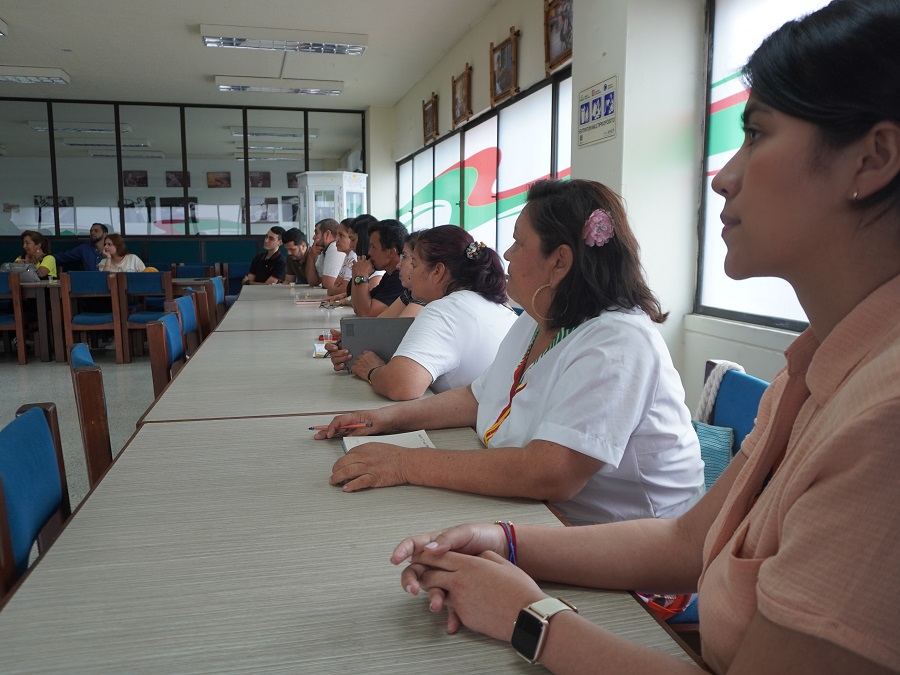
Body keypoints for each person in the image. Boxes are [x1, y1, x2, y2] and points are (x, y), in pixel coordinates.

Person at [388, 2, 900, 672]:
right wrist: (506, 541)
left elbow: (553, 472)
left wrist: (531, 619)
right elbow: (693, 538)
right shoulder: (811, 369)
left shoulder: (883, 421)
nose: (724, 175)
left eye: (757, 133)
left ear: (873, 158)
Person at [318, 180, 704, 526]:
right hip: (542, 518)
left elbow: (549, 473)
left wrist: (403, 462)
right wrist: (382, 420)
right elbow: (476, 397)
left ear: (560, 262)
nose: (506, 252)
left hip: (631, 561)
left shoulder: (618, 343)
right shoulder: (538, 319)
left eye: (519, 243)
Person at [332, 226, 517, 400]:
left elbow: (401, 386)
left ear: (437, 271)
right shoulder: (491, 304)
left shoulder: (444, 310)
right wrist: (355, 348)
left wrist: (372, 369)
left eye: (414, 263)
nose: (409, 272)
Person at [348, 219, 408, 316]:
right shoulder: (388, 275)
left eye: (373, 247)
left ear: (391, 252)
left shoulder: (400, 278)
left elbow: (366, 313)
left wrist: (361, 275)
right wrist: (356, 273)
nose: (369, 252)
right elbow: (357, 307)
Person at [305, 218, 345, 289]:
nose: (313, 237)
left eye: (316, 233)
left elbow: (328, 284)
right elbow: (313, 282)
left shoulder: (334, 247)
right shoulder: (325, 250)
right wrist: (311, 257)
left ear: (327, 234)